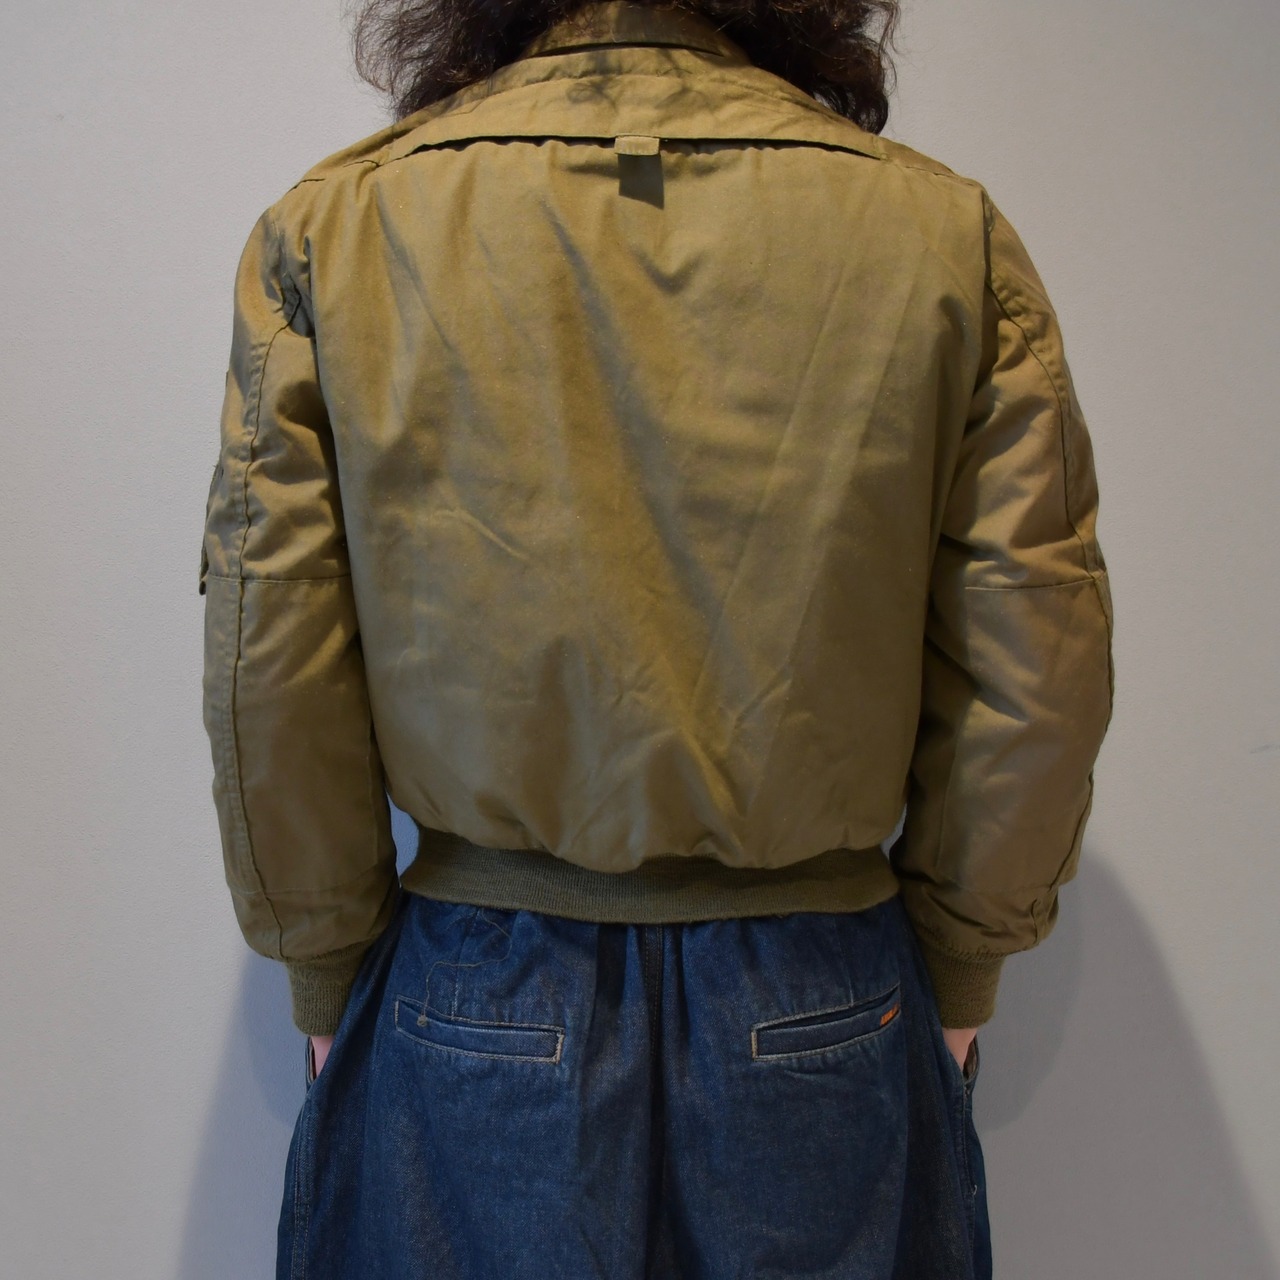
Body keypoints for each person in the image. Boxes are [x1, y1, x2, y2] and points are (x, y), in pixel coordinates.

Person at [199, 0, 1115, 1275]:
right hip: (822, 988)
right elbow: (1034, 643)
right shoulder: (941, 233)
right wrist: (961, 964)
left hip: (476, 993)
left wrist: (325, 963)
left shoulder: (337, 229)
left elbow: (270, 655)